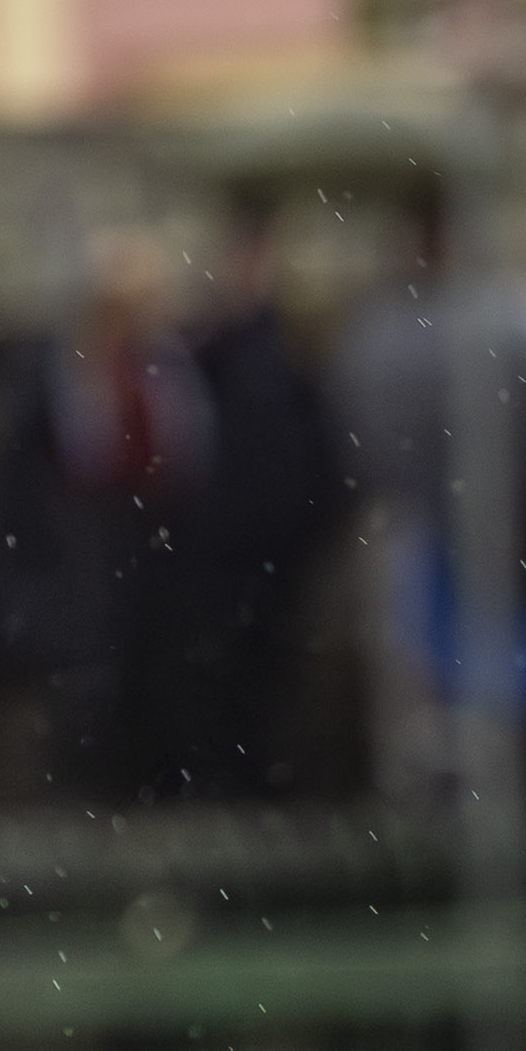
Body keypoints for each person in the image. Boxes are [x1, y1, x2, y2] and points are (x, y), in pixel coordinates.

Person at [0, 230, 214, 802]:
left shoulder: (165, 363)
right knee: (90, 678)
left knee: (156, 672)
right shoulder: (62, 365)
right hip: (85, 545)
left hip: (157, 539)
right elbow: (46, 461)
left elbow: (187, 443)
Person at [168, 197, 347, 796]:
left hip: (263, 556)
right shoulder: (210, 352)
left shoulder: (278, 357)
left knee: (260, 684)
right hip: (221, 555)